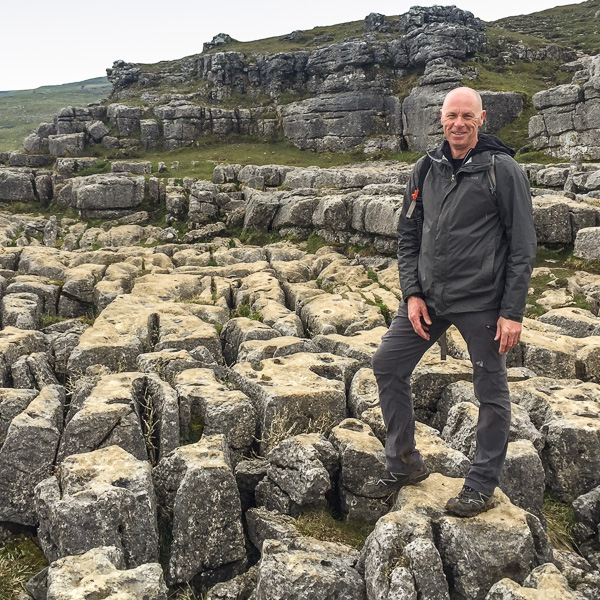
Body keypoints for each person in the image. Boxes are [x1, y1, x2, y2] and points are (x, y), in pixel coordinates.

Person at [371, 86, 536, 517]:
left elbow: (522, 246)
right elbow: (408, 237)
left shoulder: (503, 170)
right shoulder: (426, 167)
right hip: (429, 299)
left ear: (481, 119)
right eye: (451, 116)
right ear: (440, 119)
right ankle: (404, 462)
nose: (458, 123)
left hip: (482, 303)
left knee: (491, 391)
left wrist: (512, 312)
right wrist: (412, 294)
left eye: (467, 116)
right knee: (387, 364)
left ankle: (481, 484)